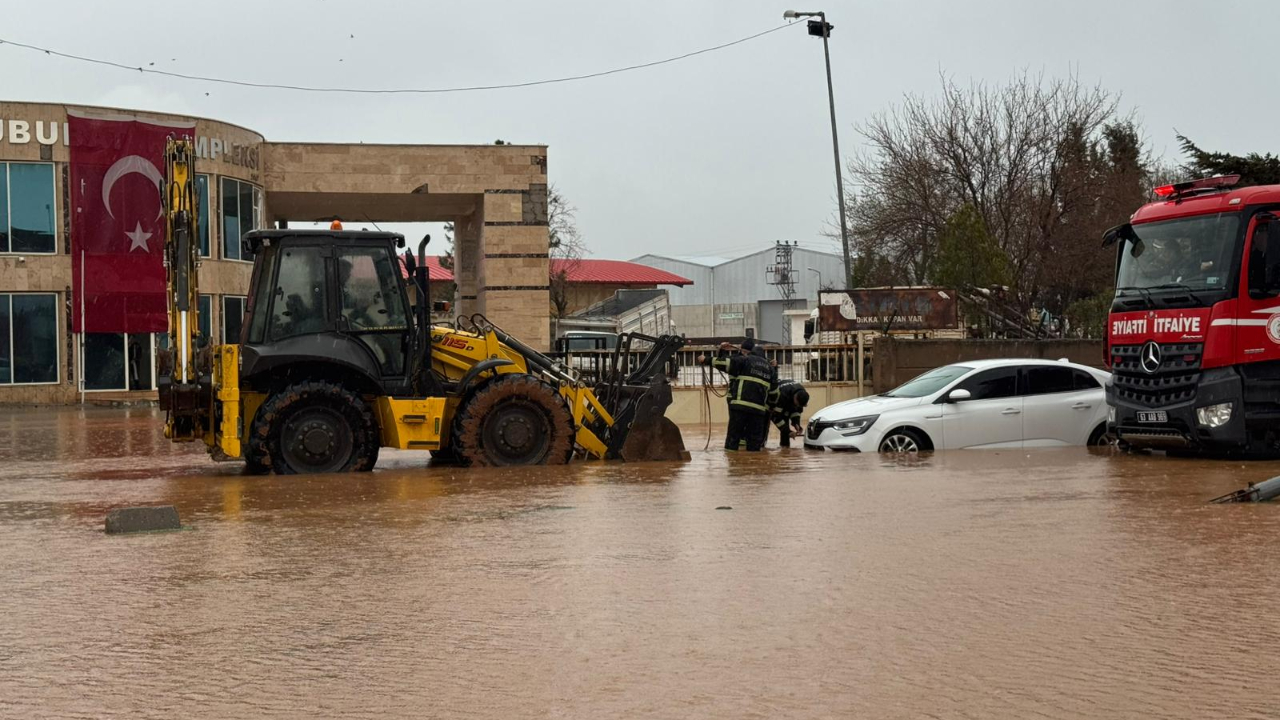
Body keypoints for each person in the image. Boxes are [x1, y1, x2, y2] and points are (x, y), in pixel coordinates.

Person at [697, 338, 776, 451]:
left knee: (733, 437)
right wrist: (721, 350)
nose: (743, 352)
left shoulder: (743, 360)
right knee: (754, 442)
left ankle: (734, 461)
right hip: (758, 409)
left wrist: (706, 360)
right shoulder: (769, 368)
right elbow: (774, 391)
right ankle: (753, 462)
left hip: (738, 403)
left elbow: (724, 363)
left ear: (750, 352)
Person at [767, 379, 810, 448]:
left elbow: (797, 411)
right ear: (795, 397)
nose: (797, 406)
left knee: (785, 435)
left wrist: (796, 423)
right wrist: (788, 431)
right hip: (769, 406)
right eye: (797, 404)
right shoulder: (782, 396)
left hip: (785, 404)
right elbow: (775, 417)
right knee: (762, 431)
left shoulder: (801, 393)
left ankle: (784, 450)